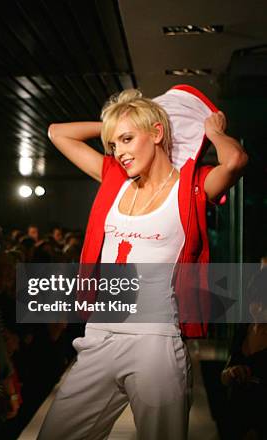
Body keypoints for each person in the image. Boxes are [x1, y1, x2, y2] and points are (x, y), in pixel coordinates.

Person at [38, 85, 248, 440]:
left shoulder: (192, 187)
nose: (118, 152)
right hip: (100, 337)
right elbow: (57, 132)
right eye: (113, 144)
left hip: (156, 342)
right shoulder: (114, 181)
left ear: (157, 133)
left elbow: (236, 162)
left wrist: (213, 132)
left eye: (126, 139)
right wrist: (117, 121)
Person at [220, 268, 267, 439]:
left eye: (265, 302)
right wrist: (231, 373)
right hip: (235, 420)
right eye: (255, 300)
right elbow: (223, 377)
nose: (260, 308)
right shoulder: (243, 330)